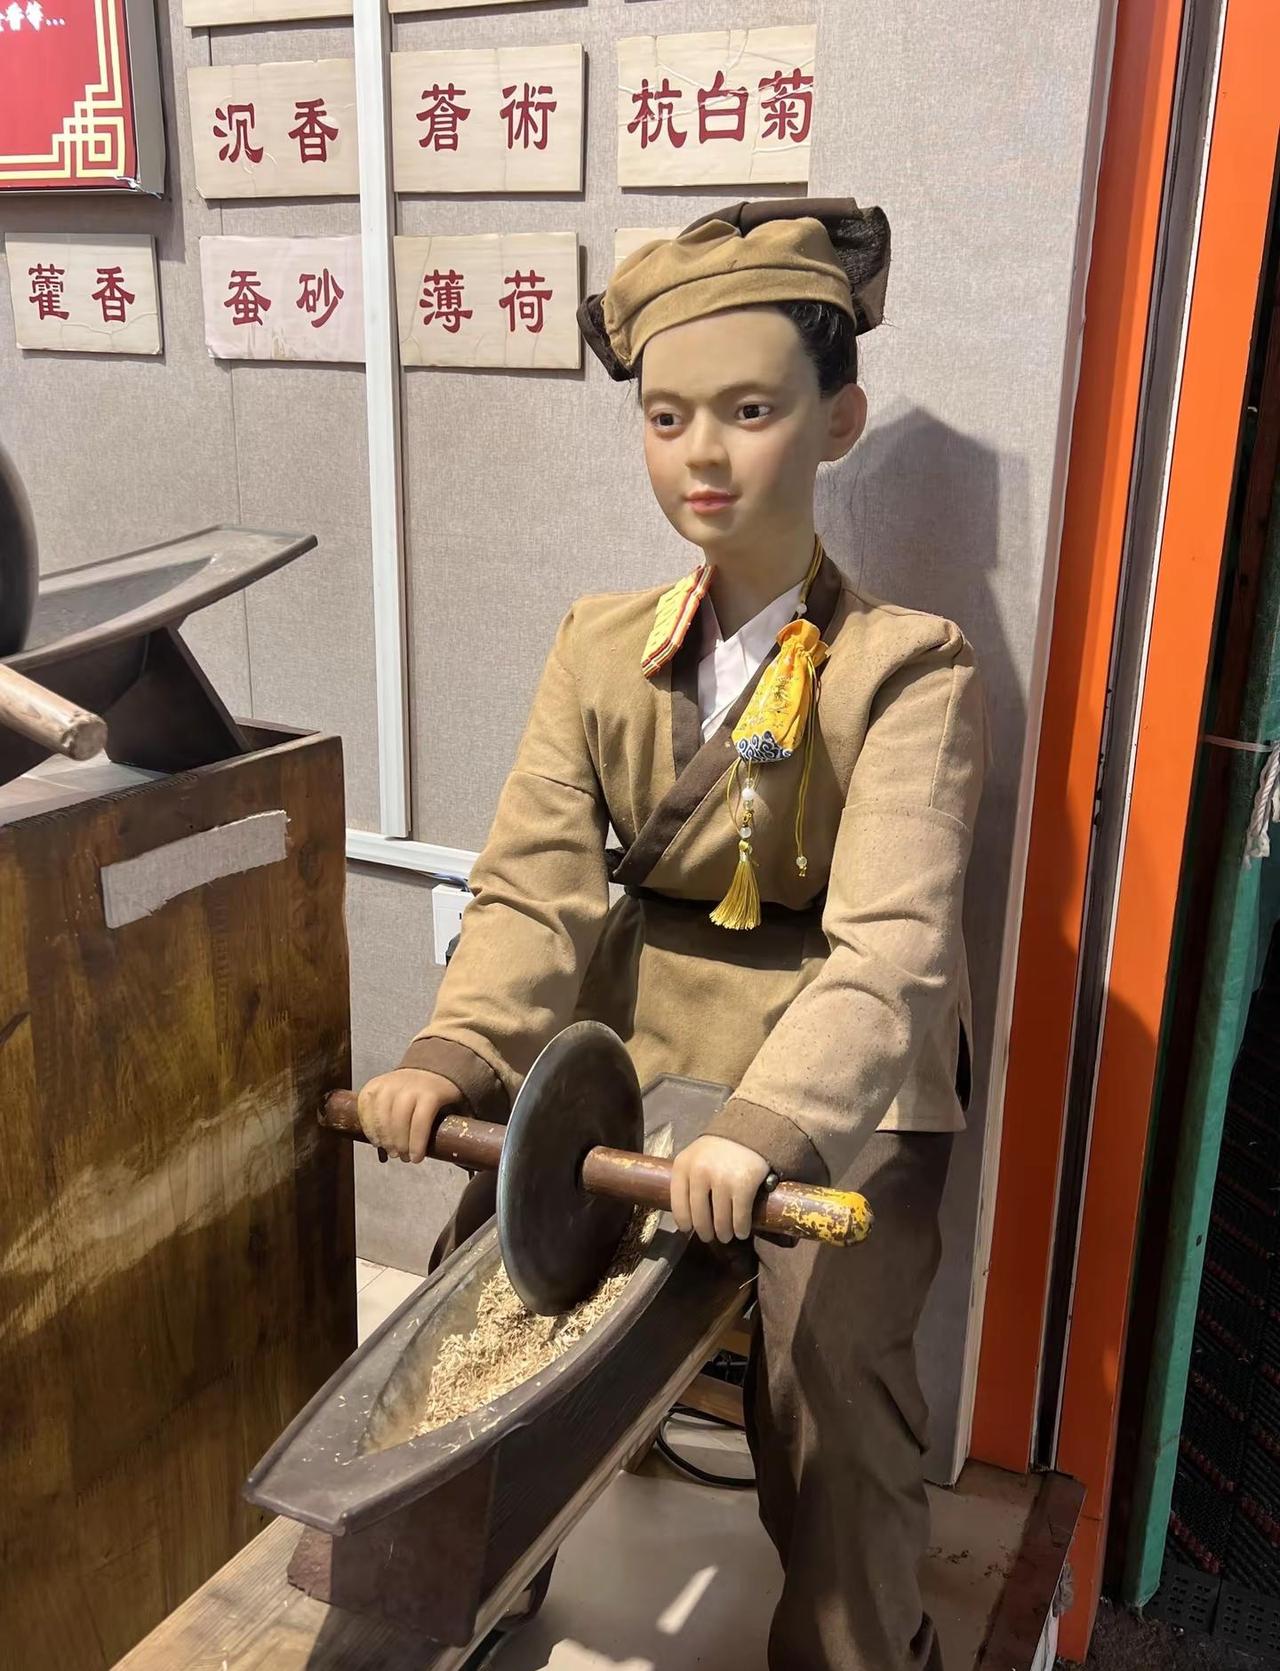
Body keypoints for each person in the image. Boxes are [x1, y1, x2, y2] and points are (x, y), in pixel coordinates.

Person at [357, 198, 989, 1671]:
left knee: (833, 1365)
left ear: (838, 422)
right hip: (642, 1031)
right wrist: (454, 1051)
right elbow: (534, 887)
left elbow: (893, 951)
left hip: (846, 1070)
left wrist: (764, 1129)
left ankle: (857, 1648)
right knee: (482, 1273)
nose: (703, 454)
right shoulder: (598, 645)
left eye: (751, 411)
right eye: (666, 417)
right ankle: (467, 1588)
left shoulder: (910, 669)